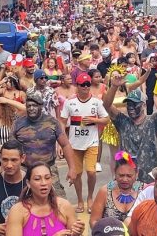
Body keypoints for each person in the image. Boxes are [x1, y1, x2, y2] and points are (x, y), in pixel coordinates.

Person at [60, 73, 109, 213]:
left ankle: (90, 198)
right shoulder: (70, 102)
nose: (86, 87)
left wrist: (95, 121)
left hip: (92, 143)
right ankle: (80, 200)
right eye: (83, 85)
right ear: (78, 86)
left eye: (88, 84)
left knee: (92, 172)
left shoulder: (96, 102)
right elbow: (62, 122)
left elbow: (106, 119)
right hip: (74, 145)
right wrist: (62, 142)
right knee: (77, 174)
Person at [12, 93, 76, 198]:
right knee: (20, 201)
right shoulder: (18, 123)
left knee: (59, 201)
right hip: (24, 171)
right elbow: (11, 149)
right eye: (29, 106)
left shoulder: (52, 122)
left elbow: (65, 145)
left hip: (49, 168)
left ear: (41, 106)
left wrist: (72, 168)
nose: (31, 108)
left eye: (34, 105)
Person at [6, 162, 85, 235]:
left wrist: (77, 232)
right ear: (28, 183)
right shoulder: (17, 211)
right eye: (37, 179)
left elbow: (73, 232)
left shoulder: (64, 205)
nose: (43, 183)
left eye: (47, 178)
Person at [90, 151, 144, 227]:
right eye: (121, 175)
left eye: (129, 176)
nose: (125, 179)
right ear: (115, 173)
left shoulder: (144, 191)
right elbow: (93, 221)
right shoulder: (105, 191)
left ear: (137, 174)